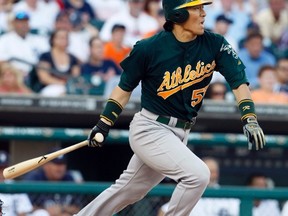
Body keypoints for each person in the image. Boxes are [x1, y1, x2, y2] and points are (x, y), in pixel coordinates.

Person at [75, 0, 265, 215]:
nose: (204, 14)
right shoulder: (149, 47)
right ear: (177, 15)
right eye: (196, 8)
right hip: (150, 127)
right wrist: (103, 123)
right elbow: (124, 88)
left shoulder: (215, 44)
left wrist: (249, 117)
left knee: (128, 191)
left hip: (179, 133)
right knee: (198, 176)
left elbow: (238, 81)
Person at [157, 157, 240, 216]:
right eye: (209, 171)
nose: (211, 175)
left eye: (214, 172)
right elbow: (164, 210)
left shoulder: (226, 195)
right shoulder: (190, 192)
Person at [22, 148, 83, 216]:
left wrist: (61, 209)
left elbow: (78, 208)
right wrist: (46, 211)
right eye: (56, 164)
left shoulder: (69, 178)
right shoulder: (34, 179)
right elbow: (24, 209)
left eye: (62, 164)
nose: (60, 168)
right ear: (45, 165)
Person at [0, 11, 49, 82]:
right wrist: (16, 71)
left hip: (36, 75)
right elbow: (2, 62)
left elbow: (47, 59)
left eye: (25, 22)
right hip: (15, 75)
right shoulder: (4, 39)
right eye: (20, 22)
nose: (23, 25)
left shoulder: (38, 39)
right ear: (14, 24)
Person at [0, 150, 49, 216]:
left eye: (4, 168)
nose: (2, 172)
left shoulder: (14, 186)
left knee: (42, 213)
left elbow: (23, 212)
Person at [35, 29, 81, 96]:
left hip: (69, 89)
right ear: (53, 39)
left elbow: (75, 77)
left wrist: (67, 86)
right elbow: (44, 77)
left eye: (65, 38)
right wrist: (62, 84)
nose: (63, 40)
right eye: (60, 38)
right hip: (49, 87)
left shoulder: (73, 58)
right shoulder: (45, 56)